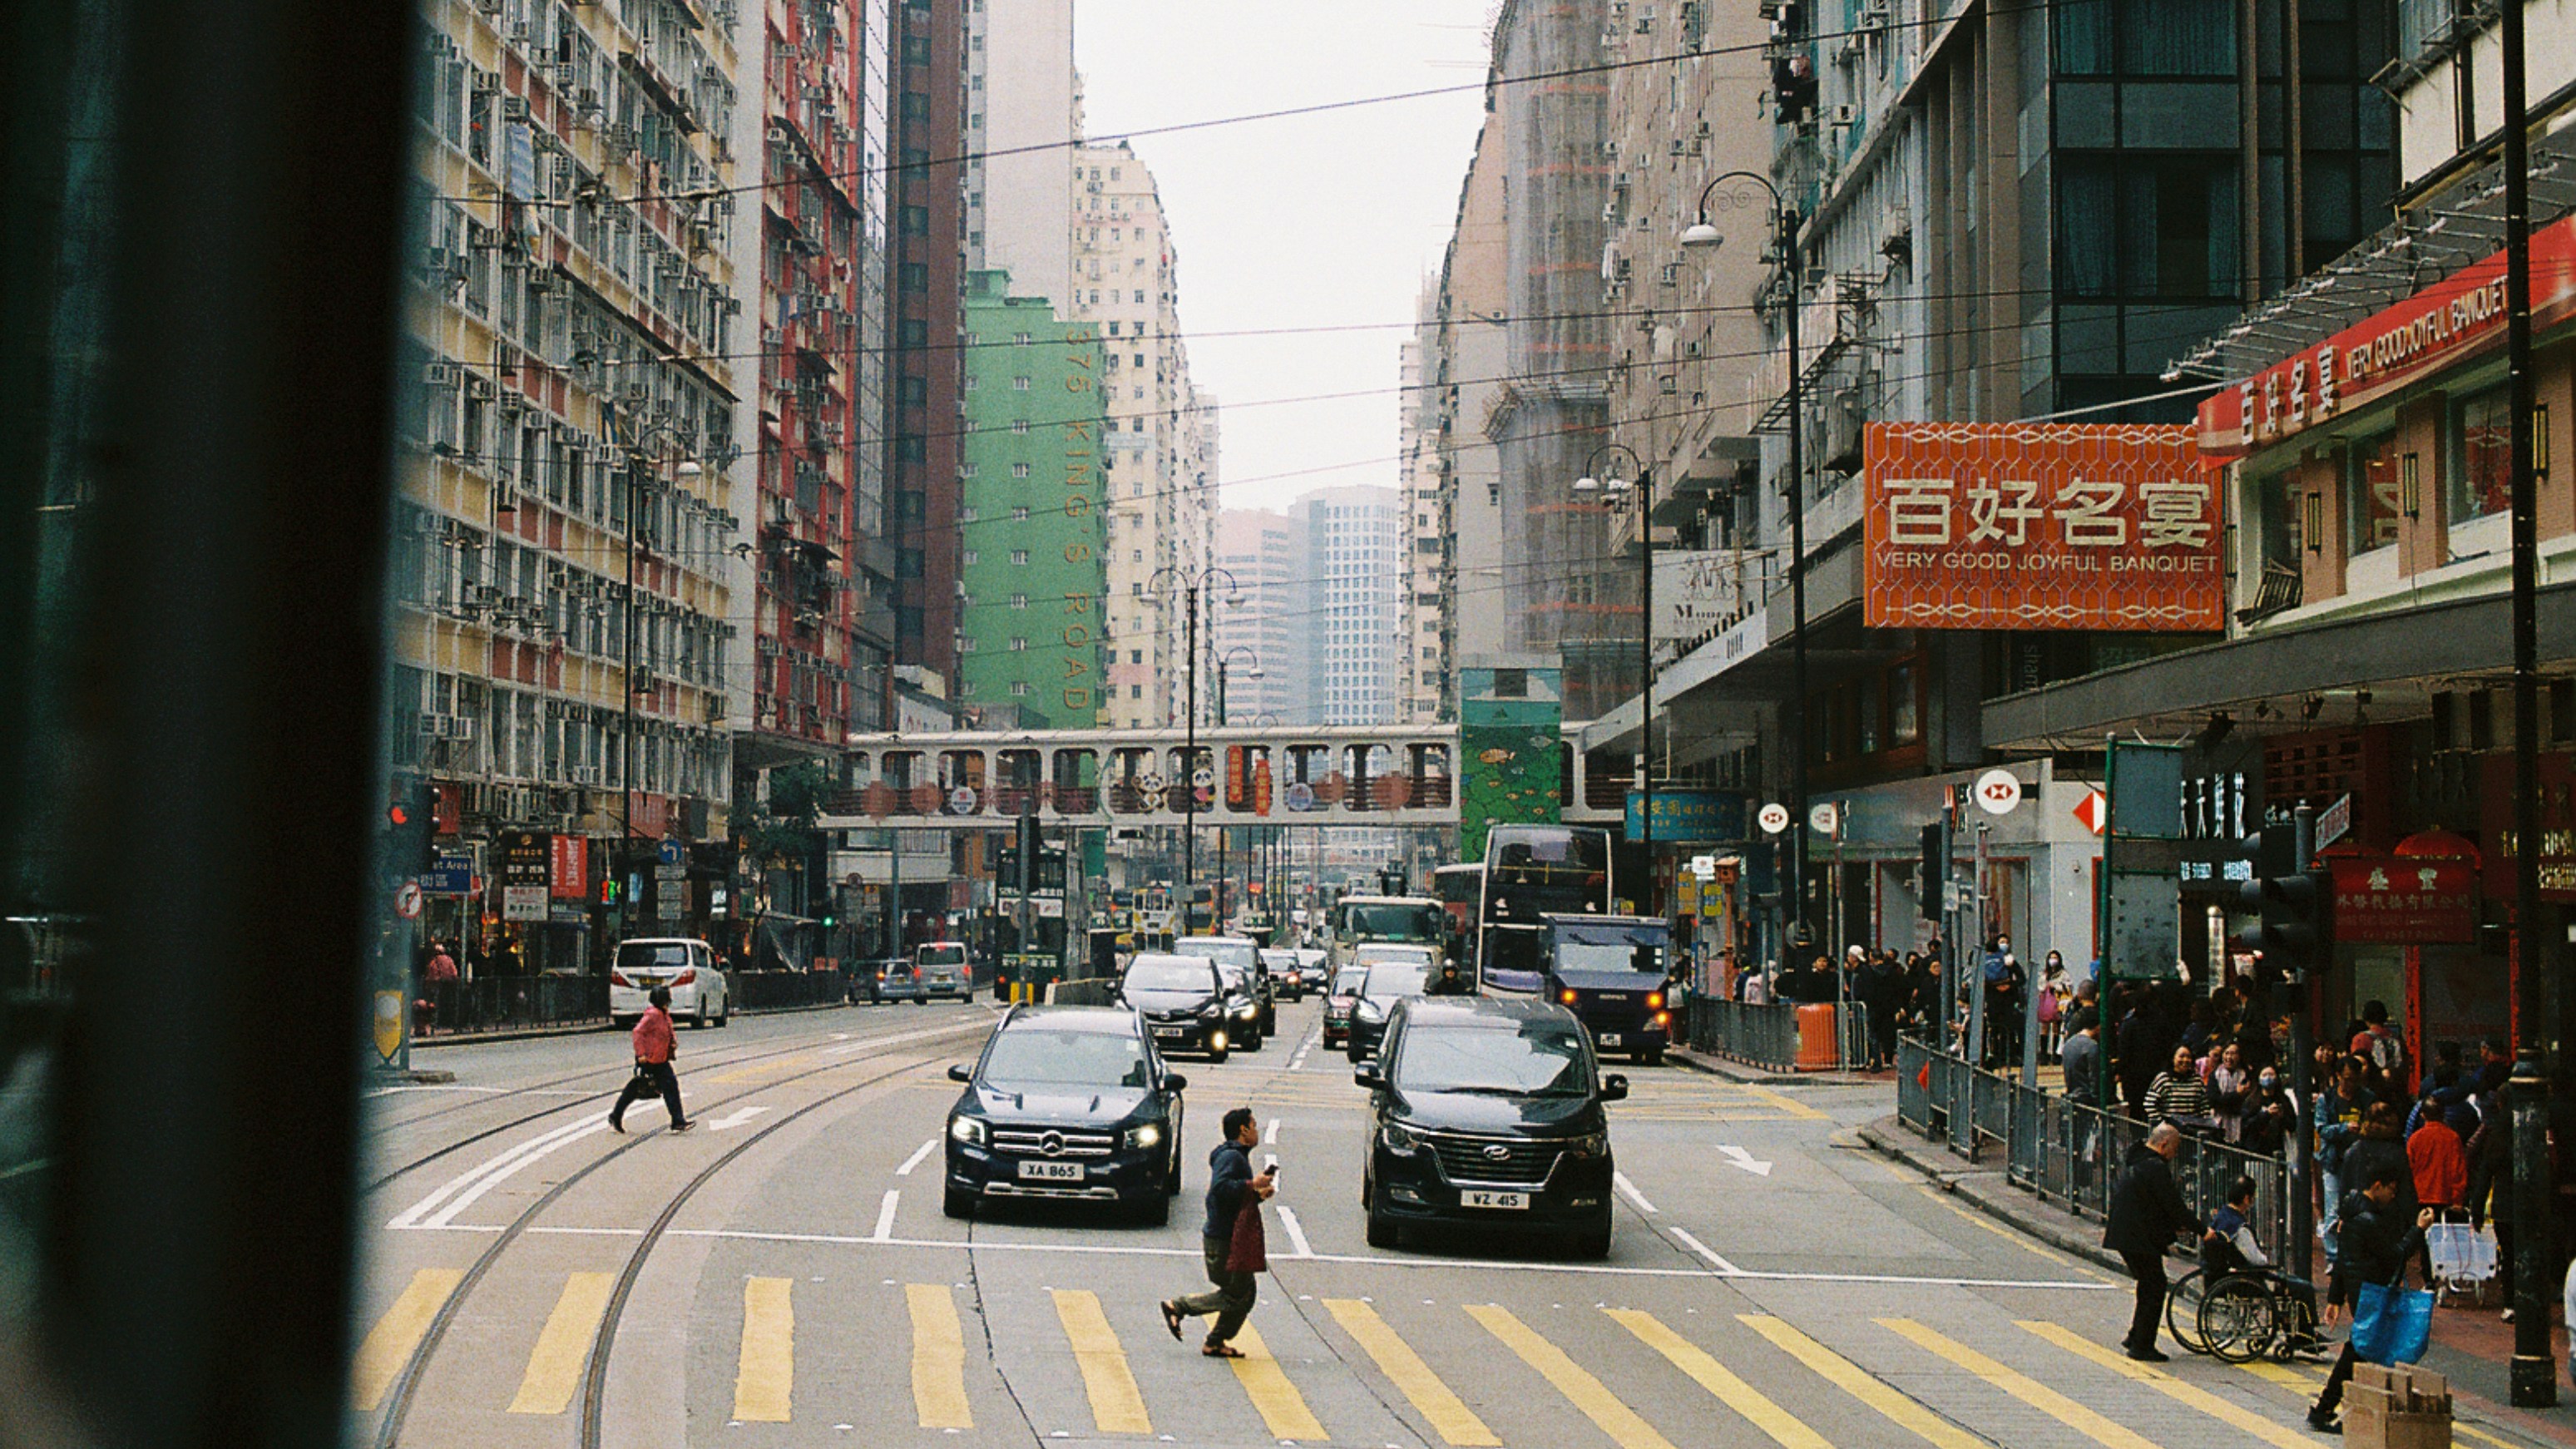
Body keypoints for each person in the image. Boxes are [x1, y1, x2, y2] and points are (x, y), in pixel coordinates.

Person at [2310, 1165, 2437, 1433]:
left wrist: (2336, 1298)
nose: (2393, 1195)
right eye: (2391, 1189)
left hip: (2361, 1294)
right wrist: (2418, 1230)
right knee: (2362, 1350)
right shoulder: (2369, 1221)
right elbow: (2394, 1256)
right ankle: (2327, 1409)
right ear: (2377, 1185)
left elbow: (2342, 1260)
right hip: (2372, 1294)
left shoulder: (2351, 1215)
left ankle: (2349, 1409)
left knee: (2362, 1350)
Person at [1160, 1106, 1274, 1358]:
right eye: (1254, 1126)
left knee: (1245, 1292)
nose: (1257, 1131)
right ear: (1243, 1130)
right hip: (1224, 1240)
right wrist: (1250, 1185)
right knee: (1238, 1295)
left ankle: (1215, 1341)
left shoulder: (1234, 1156)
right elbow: (1220, 1192)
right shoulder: (1232, 1158)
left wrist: (1256, 1194)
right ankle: (1178, 1306)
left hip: (1227, 1237)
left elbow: (1233, 1199)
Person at [2104, 1122, 2196, 1361]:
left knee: (2148, 1284)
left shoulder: (2140, 1161)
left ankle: (2136, 1336)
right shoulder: (2154, 1167)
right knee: (2155, 1285)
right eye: (2174, 1149)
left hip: (2129, 1233)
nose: (2175, 1155)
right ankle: (2142, 1345)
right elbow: (2173, 1204)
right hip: (2137, 1235)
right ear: (2164, 1144)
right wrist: (2201, 1229)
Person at [608, 986, 692, 1133]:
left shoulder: (664, 1014)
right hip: (649, 1059)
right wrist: (641, 1054)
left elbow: (668, 1031)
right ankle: (616, 1115)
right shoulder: (653, 1015)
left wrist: (672, 1042)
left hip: (661, 1059)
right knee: (636, 1088)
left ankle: (678, 1121)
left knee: (669, 1086)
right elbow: (638, 1032)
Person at [2141, 1044, 2212, 1130]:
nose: (2185, 1060)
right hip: (2168, 1131)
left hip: (2191, 1131)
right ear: (2173, 1058)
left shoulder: (2197, 1080)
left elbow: (2204, 1107)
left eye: (2188, 1057)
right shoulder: (2164, 1078)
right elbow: (2149, 1103)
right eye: (2181, 1056)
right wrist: (2160, 1123)